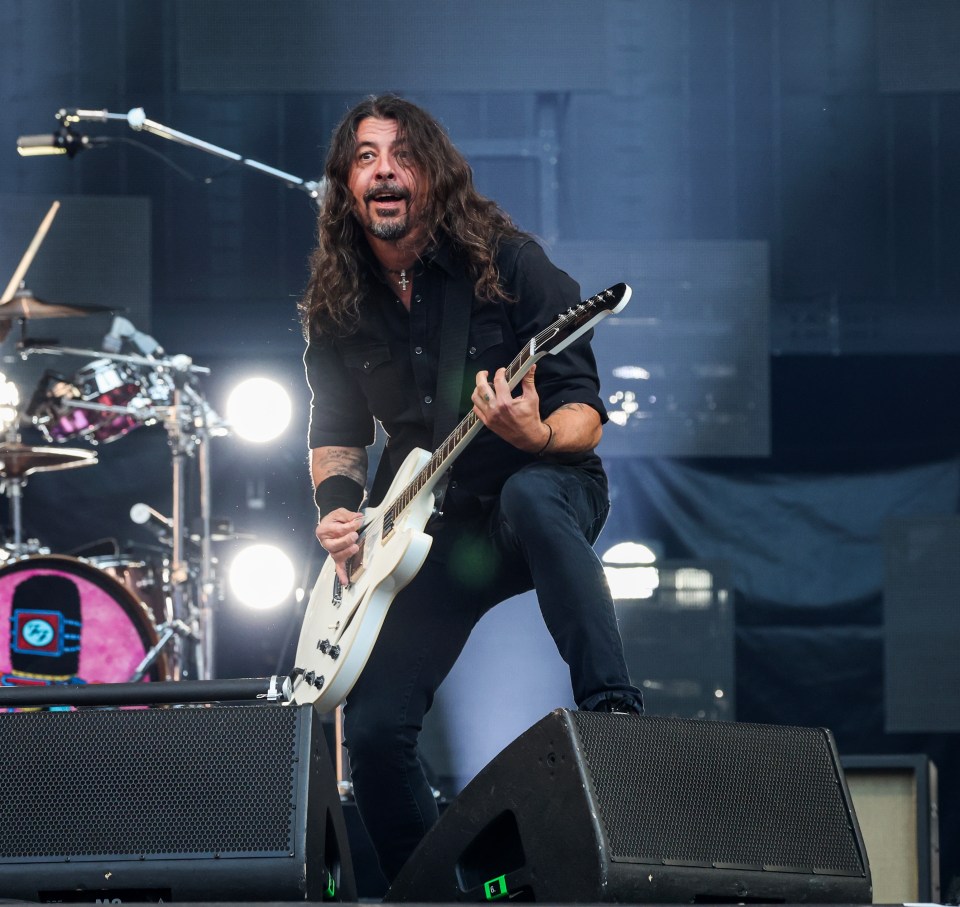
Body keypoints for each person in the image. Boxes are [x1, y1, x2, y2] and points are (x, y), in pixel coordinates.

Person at [299, 94, 642, 882]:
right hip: (428, 531)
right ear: (347, 186)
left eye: (402, 155)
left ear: (433, 176)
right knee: (377, 730)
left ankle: (615, 716)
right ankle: (432, 892)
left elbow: (585, 413)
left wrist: (537, 434)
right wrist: (335, 511)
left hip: (542, 489)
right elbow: (336, 434)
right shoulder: (338, 304)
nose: (383, 170)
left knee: (530, 496)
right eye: (364, 157)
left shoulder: (509, 263)